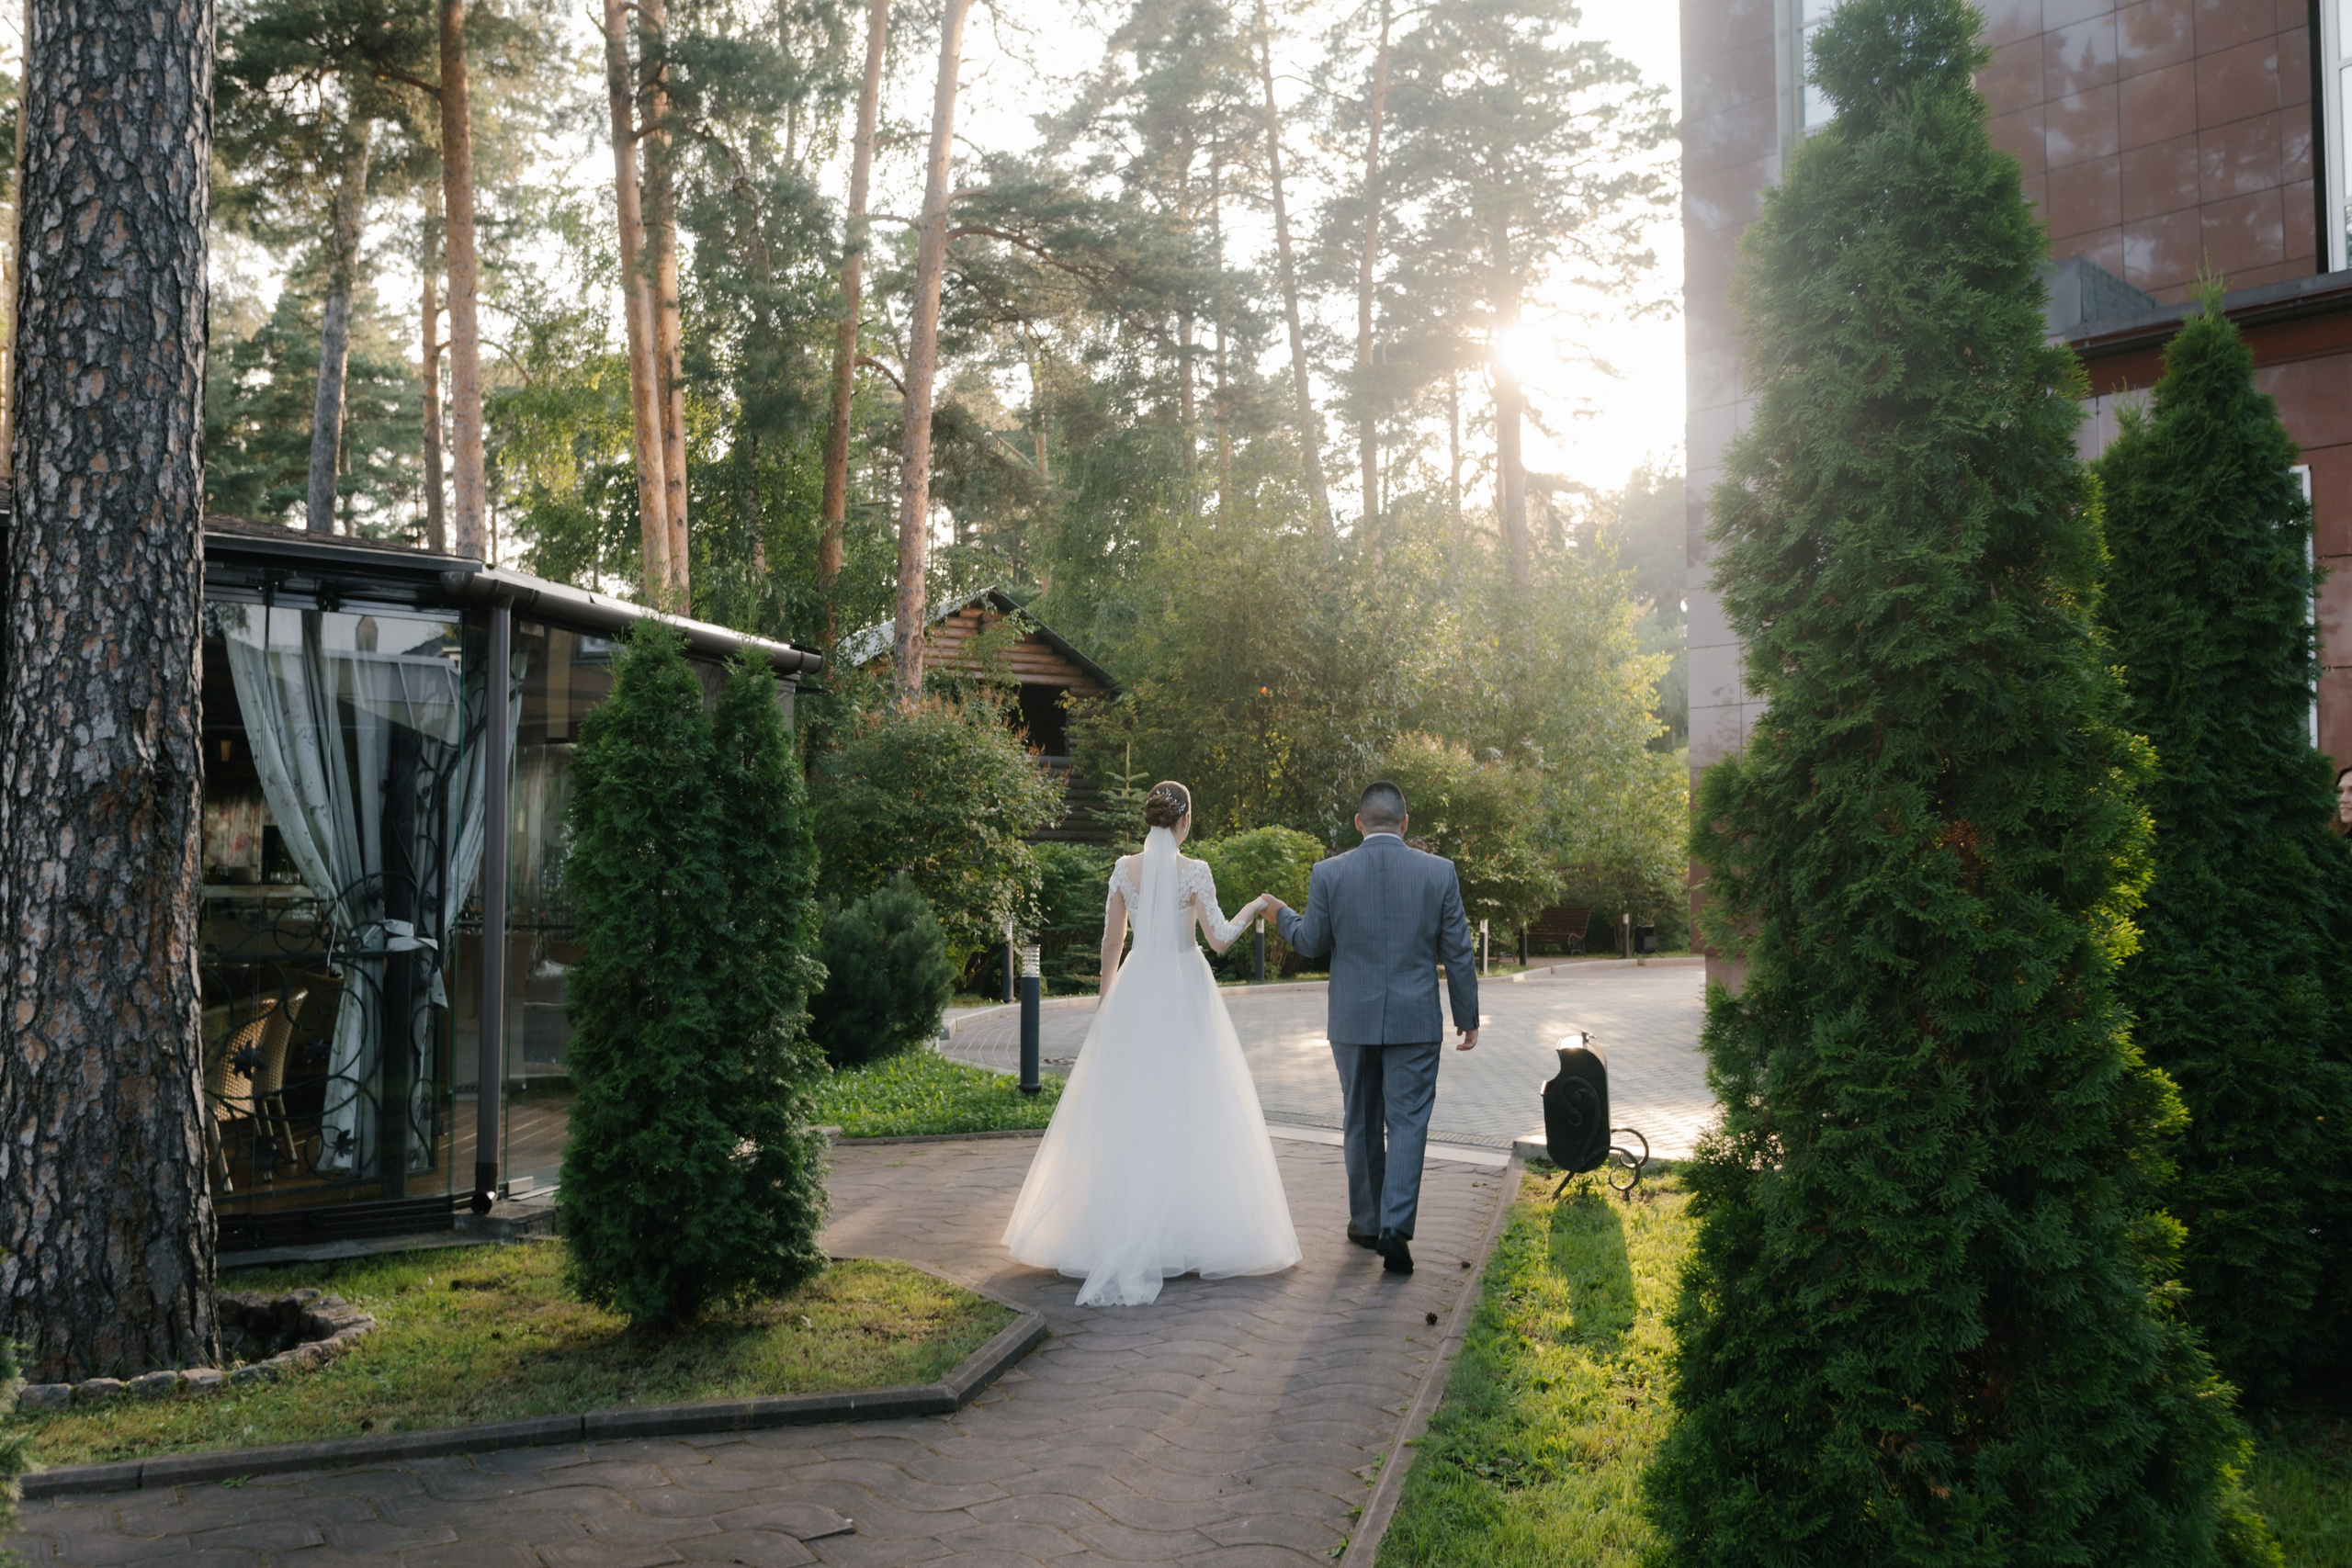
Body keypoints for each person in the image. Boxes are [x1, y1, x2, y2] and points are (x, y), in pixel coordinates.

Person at [1001, 781, 1302, 1306]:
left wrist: (1105, 1007)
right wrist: (1256, 906)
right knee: (1193, 1103)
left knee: (1132, 1107)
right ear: (1184, 821)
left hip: (1138, 986)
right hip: (1186, 987)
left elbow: (1112, 943)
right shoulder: (1196, 872)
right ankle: (1186, 1231)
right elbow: (1219, 940)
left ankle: (1121, 1225)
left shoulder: (1124, 869)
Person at [1264, 781, 1478, 1275]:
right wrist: (1466, 1017)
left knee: (1359, 1119)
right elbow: (1459, 952)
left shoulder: (1329, 872)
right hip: (1416, 1021)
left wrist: (1281, 915)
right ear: (1405, 823)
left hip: (1352, 1020)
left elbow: (1311, 941)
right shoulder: (1439, 873)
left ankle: (1366, 1222)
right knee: (1408, 1122)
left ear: (1359, 823)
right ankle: (1396, 1227)